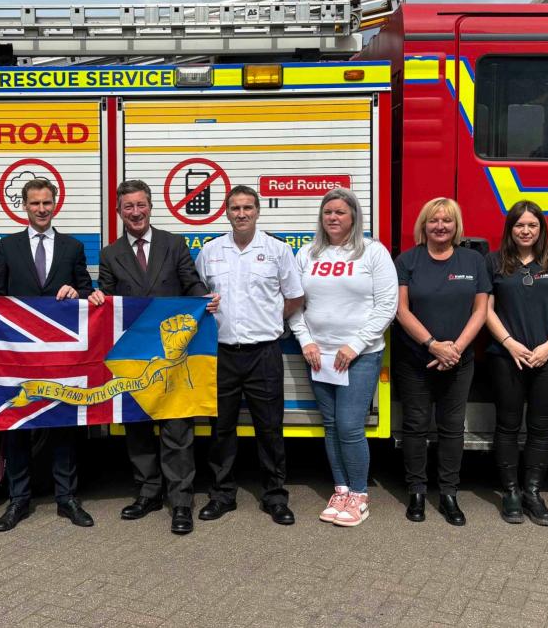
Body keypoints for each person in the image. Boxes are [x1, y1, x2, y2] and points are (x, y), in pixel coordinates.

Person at [96, 179, 218, 536]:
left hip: (174, 356)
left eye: (141, 205)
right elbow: (106, 295)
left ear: (150, 206)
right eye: (128, 207)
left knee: (178, 429)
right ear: (119, 212)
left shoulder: (173, 244)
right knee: (137, 429)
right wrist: (97, 300)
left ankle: (181, 502)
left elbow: (190, 282)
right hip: (135, 356)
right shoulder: (110, 254)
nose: (135, 212)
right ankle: (148, 492)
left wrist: (203, 299)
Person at [0, 177, 99, 532]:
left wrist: (76, 291)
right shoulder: (8, 247)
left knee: (63, 425)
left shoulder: (73, 247)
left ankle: (67, 499)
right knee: (17, 428)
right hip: (21, 356)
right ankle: (18, 501)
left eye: (47, 203)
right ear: (24, 206)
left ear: (55, 204)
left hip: (61, 355)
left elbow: (88, 293)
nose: (41, 209)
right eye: (35, 203)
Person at [195, 185, 304, 525]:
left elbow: (295, 298)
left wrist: (270, 320)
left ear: (258, 211)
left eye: (247, 207)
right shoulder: (209, 252)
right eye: (235, 208)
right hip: (221, 354)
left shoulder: (278, 251)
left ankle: (274, 497)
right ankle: (222, 495)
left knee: (269, 428)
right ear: (226, 212)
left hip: (263, 353)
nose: (241, 213)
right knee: (221, 428)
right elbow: (197, 297)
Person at [289, 188, 397, 527]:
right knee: (332, 425)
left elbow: (386, 305)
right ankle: (341, 489)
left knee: (350, 426)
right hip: (319, 356)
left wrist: (355, 345)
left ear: (354, 216)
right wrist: (305, 340)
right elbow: (293, 303)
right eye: (327, 212)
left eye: (340, 212)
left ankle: (359, 495)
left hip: (359, 356)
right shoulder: (307, 253)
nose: (333, 218)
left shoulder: (372, 252)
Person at [394, 197, 490, 526]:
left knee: (452, 429)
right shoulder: (407, 260)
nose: (440, 226)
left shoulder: (474, 261)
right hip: (416, 359)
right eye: (434, 220)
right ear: (424, 225)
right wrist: (434, 345)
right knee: (415, 426)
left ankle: (449, 493)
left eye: (447, 221)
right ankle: (417, 492)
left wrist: (456, 349)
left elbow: (481, 310)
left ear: (456, 226)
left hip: (459, 361)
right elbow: (401, 310)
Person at [484, 201, 548, 526]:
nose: (525, 231)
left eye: (532, 225)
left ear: (541, 229)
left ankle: (533, 493)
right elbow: (485, 309)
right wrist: (509, 343)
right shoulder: (494, 262)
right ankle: (510, 492)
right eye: (519, 225)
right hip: (506, 357)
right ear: (510, 229)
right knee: (507, 426)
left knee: (540, 428)